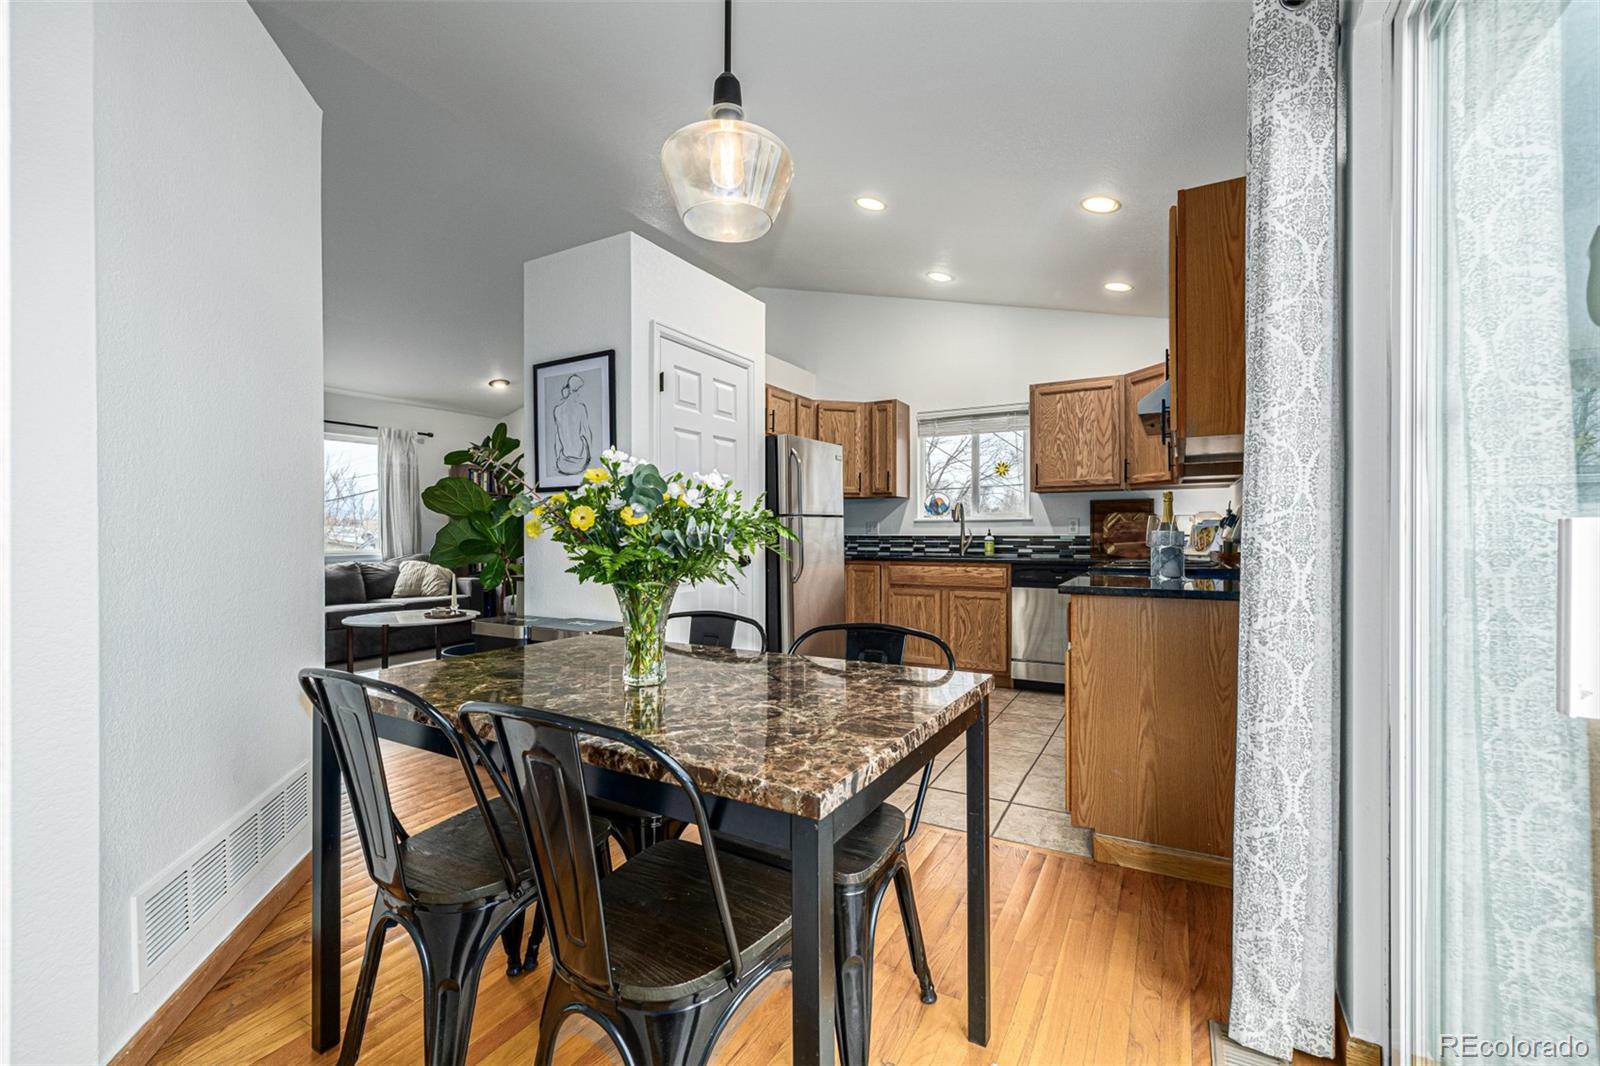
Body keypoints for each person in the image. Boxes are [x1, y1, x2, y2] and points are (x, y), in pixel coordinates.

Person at [552, 373, 592, 476]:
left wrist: (558, 457)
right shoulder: (581, 408)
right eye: (579, 390)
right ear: (575, 391)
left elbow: (558, 436)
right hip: (580, 460)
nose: (580, 394)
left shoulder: (557, 410)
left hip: (563, 463)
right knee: (583, 439)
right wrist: (590, 454)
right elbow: (586, 433)